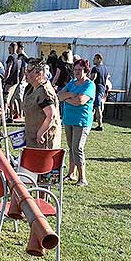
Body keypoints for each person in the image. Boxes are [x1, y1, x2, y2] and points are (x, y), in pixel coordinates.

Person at [58, 59, 95, 187]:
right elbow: (59, 95)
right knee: (71, 148)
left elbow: (80, 101)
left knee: (77, 148)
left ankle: (82, 178)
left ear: (86, 71)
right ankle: (71, 173)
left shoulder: (90, 85)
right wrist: (70, 95)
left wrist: (67, 98)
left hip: (82, 121)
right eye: (75, 70)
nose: (77, 72)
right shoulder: (72, 83)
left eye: (80, 70)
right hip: (68, 119)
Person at [22, 58, 61, 149]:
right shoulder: (30, 88)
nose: (25, 73)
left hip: (44, 140)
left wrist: (40, 133)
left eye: (29, 71)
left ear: (39, 73)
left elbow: (51, 115)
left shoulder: (44, 91)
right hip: (32, 137)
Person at [90, 53, 110, 131]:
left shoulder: (95, 68)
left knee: (97, 107)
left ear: (99, 59)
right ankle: (93, 122)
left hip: (96, 89)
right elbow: (107, 77)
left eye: (94, 59)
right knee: (95, 107)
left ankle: (100, 125)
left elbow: (92, 79)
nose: (93, 60)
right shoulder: (106, 68)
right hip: (102, 89)